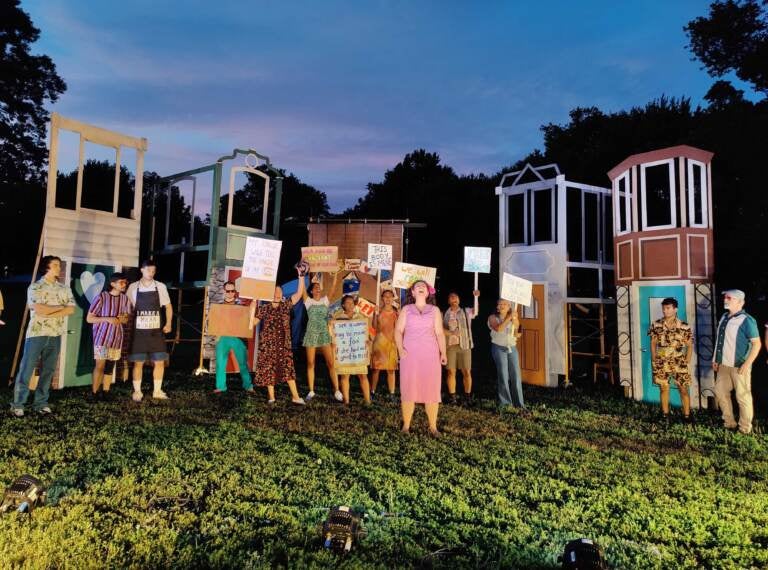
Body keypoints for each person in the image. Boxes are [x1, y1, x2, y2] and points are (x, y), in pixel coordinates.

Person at [10, 256, 75, 417]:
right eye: (55, 265)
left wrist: (50, 309)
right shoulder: (35, 287)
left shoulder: (64, 288)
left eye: (59, 265)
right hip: (36, 334)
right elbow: (39, 309)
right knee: (27, 369)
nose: (59, 268)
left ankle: (41, 403)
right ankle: (18, 404)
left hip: (55, 334)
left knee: (48, 370)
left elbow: (71, 310)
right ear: (46, 267)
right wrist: (60, 307)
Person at [395, 280, 447, 436]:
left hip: (430, 355)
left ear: (428, 291)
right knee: (408, 388)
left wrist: (443, 352)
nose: (421, 288)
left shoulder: (435, 310)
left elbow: (439, 333)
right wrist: (400, 349)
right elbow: (398, 330)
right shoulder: (406, 309)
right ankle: (406, 426)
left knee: (431, 389)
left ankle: (433, 426)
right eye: (417, 286)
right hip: (409, 355)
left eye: (423, 286)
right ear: (412, 292)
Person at [250, 267, 307, 405]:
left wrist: (301, 276)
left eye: (279, 291)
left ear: (282, 294)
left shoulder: (286, 305)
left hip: (283, 345)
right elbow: (253, 323)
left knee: (288, 370)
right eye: (275, 291)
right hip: (268, 346)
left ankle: (295, 397)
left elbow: (299, 293)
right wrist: (253, 306)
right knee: (269, 370)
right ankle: (271, 397)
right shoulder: (264, 308)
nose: (277, 293)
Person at [713, 289, 761, 434]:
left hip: (740, 365)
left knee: (742, 396)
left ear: (741, 302)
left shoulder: (747, 320)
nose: (725, 300)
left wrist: (747, 364)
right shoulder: (724, 317)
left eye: (730, 298)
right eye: (725, 298)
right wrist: (716, 359)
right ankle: (729, 422)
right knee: (720, 392)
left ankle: (745, 428)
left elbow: (756, 344)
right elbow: (719, 341)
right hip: (723, 365)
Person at [126, 259, 173, 402]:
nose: (151, 273)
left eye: (153, 271)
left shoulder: (160, 287)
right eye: (148, 270)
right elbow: (127, 308)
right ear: (142, 270)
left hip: (156, 332)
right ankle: (137, 392)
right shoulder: (133, 288)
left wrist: (169, 323)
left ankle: (157, 391)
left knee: (159, 361)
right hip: (139, 332)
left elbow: (168, 307)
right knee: (138, 362)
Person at [86, 272, 132, 401]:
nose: (124, 284)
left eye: (125, 282)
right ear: (113, 284)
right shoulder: (101, 297)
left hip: (116, 338)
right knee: (100, 365)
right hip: (102, 337)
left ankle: (106, 392)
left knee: (110, 366)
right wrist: (108, 319)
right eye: (121, 282)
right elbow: (89, 318)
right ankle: (94, 393)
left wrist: (123, 319)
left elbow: (126, 317)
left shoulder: (125, 299)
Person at [647, 297, 693, 423]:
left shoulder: (684, 326)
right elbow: (653, 343)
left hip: (679, 361)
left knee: (683, 389)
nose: (665, 311)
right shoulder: (656, 325)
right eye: (663, 308)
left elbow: (689, 345)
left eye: (668, 308)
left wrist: (687, 362)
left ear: (675, 309)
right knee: (663, 388)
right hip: (662, 361)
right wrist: (654, 360)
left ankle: (687, 416)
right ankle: (665, 415)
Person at [302, 274, 342, 402]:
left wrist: (335, 275)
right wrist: (301, 275)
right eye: (315, 287)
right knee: (310, 363)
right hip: (311, 334)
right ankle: (311, 390)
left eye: (319, 287)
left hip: (324, 334)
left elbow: (333, 289)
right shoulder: (308, 301)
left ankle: (337, 390)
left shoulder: (325, 300)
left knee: (331, 363)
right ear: (312, 291)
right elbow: (302, 289)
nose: (318, 289)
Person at [213, 281, 254, 395]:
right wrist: (217, 335)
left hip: (238, 337)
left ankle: (248, 385)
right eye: (228, 291)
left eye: (233, 291)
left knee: (243, 363)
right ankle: (221, 387)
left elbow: (247, 318)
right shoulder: (219, 305)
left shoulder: (241, 305)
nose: (230, 293)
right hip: (223, 337)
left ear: (235, 292)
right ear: (224, 291)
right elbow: (216, 321)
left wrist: (253, 303)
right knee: (221, 363)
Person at [330, 295, 372, 405]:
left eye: (352, 303)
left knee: (363, 375)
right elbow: (332, 332)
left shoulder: (360, 316)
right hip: (345, 352)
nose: (350, 305)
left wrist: (367, 340)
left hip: (358, 351)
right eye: (348, 303)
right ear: (343, 305)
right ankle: (346, 401)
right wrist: (333, 342)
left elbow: (366, 331)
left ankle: (367, 401)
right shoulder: (337, 317)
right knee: (344, 376)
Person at [443, 290, 480, 405]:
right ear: (448, 301)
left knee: (467, 372)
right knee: (450, 372)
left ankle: (467, 397)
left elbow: (476, 311)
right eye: (451, 298)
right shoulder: (444, 313)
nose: (454, 299)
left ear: (459, 300)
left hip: (465, 345)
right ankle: (452, 397)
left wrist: (476, 298)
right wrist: (451, 333)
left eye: (456, 297)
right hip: (450, 346)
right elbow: (440, 329)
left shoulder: (466, 311)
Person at [488, 299, 525, 410]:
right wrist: (509, 318)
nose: (502, 305)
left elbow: (517, 333)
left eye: (505, 304)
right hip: (498, 348)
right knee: (503, 375)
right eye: (500, 304)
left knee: (516, 376)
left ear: (509, 307)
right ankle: (505, 403)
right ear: (497, 307)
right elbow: (499, 329)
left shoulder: (513, 317)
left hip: (512, 348)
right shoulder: (492, 318)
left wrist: (516, 324)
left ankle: (519, 404)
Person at [370, 289, 398, 401]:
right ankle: (372, 391)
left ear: (393, 298)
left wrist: (400, 316)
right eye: (385, 296)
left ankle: (392, 393)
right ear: (382, 298)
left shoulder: (396, 312)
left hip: (391, 343)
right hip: (379, 343)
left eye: (390, 296)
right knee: (376, 369)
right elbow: (374, 327)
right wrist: (375, 314)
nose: (387, 299)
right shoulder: (378, 311)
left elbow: (399, 329)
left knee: (391, 370)